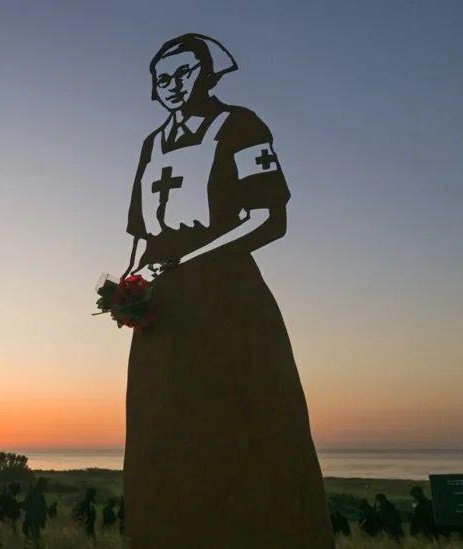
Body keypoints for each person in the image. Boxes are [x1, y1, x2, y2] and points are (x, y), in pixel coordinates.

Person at [118, 33, 332, 547]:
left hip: (227, 299)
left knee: (239, 421)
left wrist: (185, 260)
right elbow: (141, 233)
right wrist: (128, 287)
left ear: (210, 74)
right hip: (160, 311)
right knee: (163, 429)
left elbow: (267, 218)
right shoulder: (151, 143)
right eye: (162, 77)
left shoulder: (239, 126)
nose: (172, 86)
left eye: (184, 73)